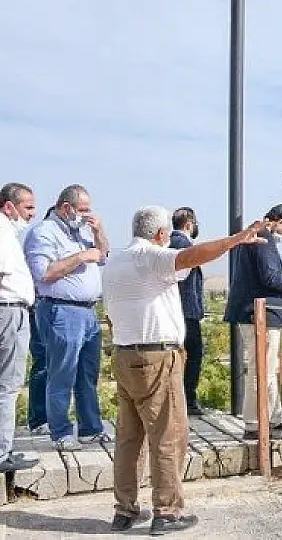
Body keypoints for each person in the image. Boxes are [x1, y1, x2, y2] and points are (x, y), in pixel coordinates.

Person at [102, 206, 267, 534]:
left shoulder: (115, 261)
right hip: (157, 359)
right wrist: (237, 239)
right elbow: (193, 256)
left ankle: (125, 510)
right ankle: (167, 512)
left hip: (124, 355)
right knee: (167, 436)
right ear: (161, 234)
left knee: (128, 438)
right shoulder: (152, 257)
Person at [23, 185, 111, 451]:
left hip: (88, 311)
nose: (87, 215)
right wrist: (82, 256)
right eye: (83, 210)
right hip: (60, 310)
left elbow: (103, 255)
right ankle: (60, 431)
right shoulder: (43, 233)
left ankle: (90, 429)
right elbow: (45, 273)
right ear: (65, 207)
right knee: (61, 373)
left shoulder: (81, 231)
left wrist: (98, 232)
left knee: (87, 374)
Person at [223, 204, 282, 439]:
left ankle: (274, 416)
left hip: (257, 313)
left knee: (270, 369)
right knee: (261, 370)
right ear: (279, 222)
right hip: (259, 314)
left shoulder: (254, 234)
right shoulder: (263, 237)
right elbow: (271, 277)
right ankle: (253, 422)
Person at [0, 183, 47, 435]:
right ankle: (2, 451)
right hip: (8, 310)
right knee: (8, 385)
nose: (32, 213)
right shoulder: (3, 234)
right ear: (9, 206)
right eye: (27, 207)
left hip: (13, 310)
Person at [168, 208, 206, 416]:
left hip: (179, 309)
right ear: (189, 224)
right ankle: (187, 399)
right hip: (186, 311)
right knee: (193, 355)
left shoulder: (170, 243)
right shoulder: (183, 245)